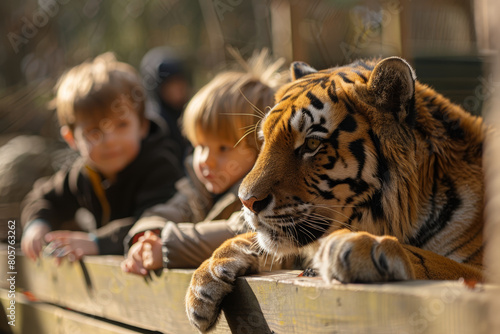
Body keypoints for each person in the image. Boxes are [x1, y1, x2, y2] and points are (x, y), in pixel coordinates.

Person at [121, 49, 287, 275]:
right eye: (200, 146)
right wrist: (147, 233)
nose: (205, 159)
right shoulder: (199, 188)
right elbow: (173, 209)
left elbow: (239, 232)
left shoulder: (265, 197)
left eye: (223, 148)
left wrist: (169, 247)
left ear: (260, 150)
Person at [20, 52, 184, 262]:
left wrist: (97, 242)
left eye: (121, 125)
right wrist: (37, 224)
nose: (110, 140)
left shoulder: (160, 165)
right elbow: (42, 198)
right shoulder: (84, 173)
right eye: (94, 131)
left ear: (142, 126)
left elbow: (153, 224)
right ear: (72, 138)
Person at [140, 47, 192, 167]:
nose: (177, 89)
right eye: (170, 84)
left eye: (179, 81)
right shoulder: (154, 125)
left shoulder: (190, 113)